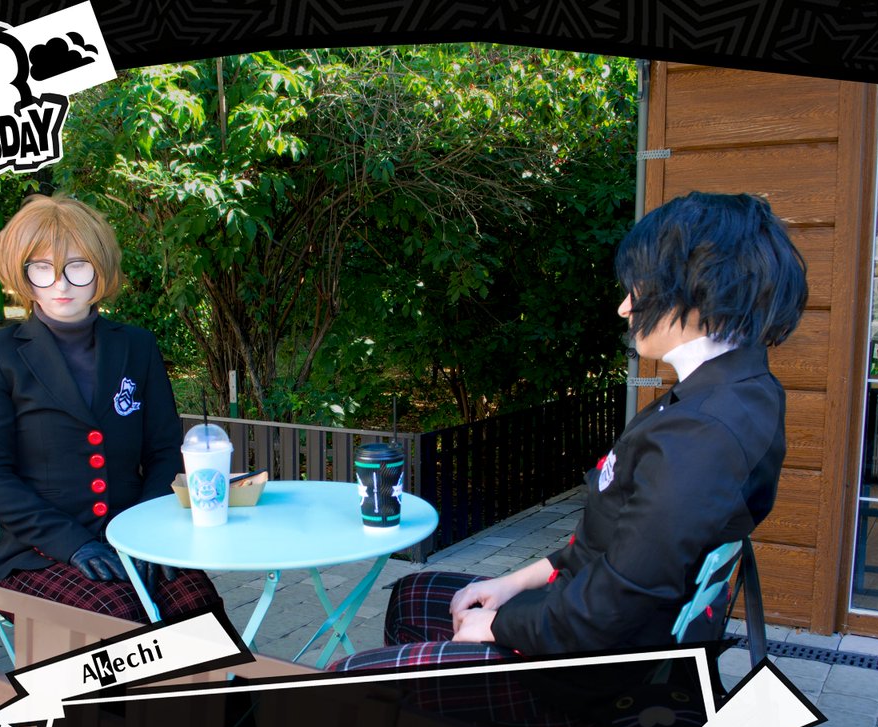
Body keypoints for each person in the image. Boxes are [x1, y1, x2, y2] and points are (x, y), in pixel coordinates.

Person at [335, 191, 808, 672]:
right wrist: (513, 583)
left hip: (594, 671)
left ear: (698, 290)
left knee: (347, 676)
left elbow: (612, 606)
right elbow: (607, 547)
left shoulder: (702, 434)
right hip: (594, 619)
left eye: (638, 290)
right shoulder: (740, 390)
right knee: (413, 594)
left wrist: (498, 626)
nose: (625, 307)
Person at [0, 194, 220, 622]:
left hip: (132, 538)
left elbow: (162, 451)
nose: (61, 285)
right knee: (118, 616)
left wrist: (144, 535)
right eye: (42, 268)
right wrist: (75, 545)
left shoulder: (137, 346)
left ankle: (219, 673)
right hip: (37, 553)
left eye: (77, 266)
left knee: (199, 607)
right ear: (22, 273)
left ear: (100, 269)